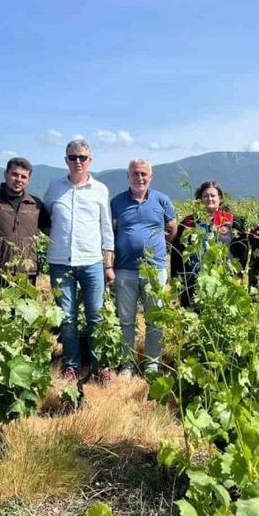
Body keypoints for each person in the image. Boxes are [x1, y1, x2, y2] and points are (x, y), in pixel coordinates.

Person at [42, 139, 115, 384]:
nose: (78, 162)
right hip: (60, 262)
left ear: (90, 160)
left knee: (96, 316)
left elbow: (106, 228)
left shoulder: (100, 190)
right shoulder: (54, 188)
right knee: (67, 317)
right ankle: (71, 366)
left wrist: (108, 263)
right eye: (73, 157)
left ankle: (100, 366)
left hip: (92, 261)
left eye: (82, 157)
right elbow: (44, 219)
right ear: (66, 160)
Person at [110, 159, 178, 377]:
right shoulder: (117, 202)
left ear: (151, 176)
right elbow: (111, 233)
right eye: (135, 174)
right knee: (126, 318)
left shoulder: (162, 200)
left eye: (143, 174)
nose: (139, 178)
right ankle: (127, 364)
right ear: (128, 176)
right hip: (124, 268)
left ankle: (151, 363)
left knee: (154, 318)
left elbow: (173, 229)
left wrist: (158, 247)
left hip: (155, 269)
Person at [0, 156, 51, 287]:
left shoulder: (35, 204)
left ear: (28, 180)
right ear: (6, 174)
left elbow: (50, 231)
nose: (19, 180)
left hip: (27, 272)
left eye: (23, 177)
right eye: (15, 174)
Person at [170, 180, 248, 306]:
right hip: (193, 281)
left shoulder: (232, 221)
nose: (209, 199)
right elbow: (177, 251)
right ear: (199, 199)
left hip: (223, 281)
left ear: (220, 198)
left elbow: (243, 249)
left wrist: (238, 275)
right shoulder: (189, 221)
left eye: (213, 195)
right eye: (205, 196)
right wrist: (175, 277)